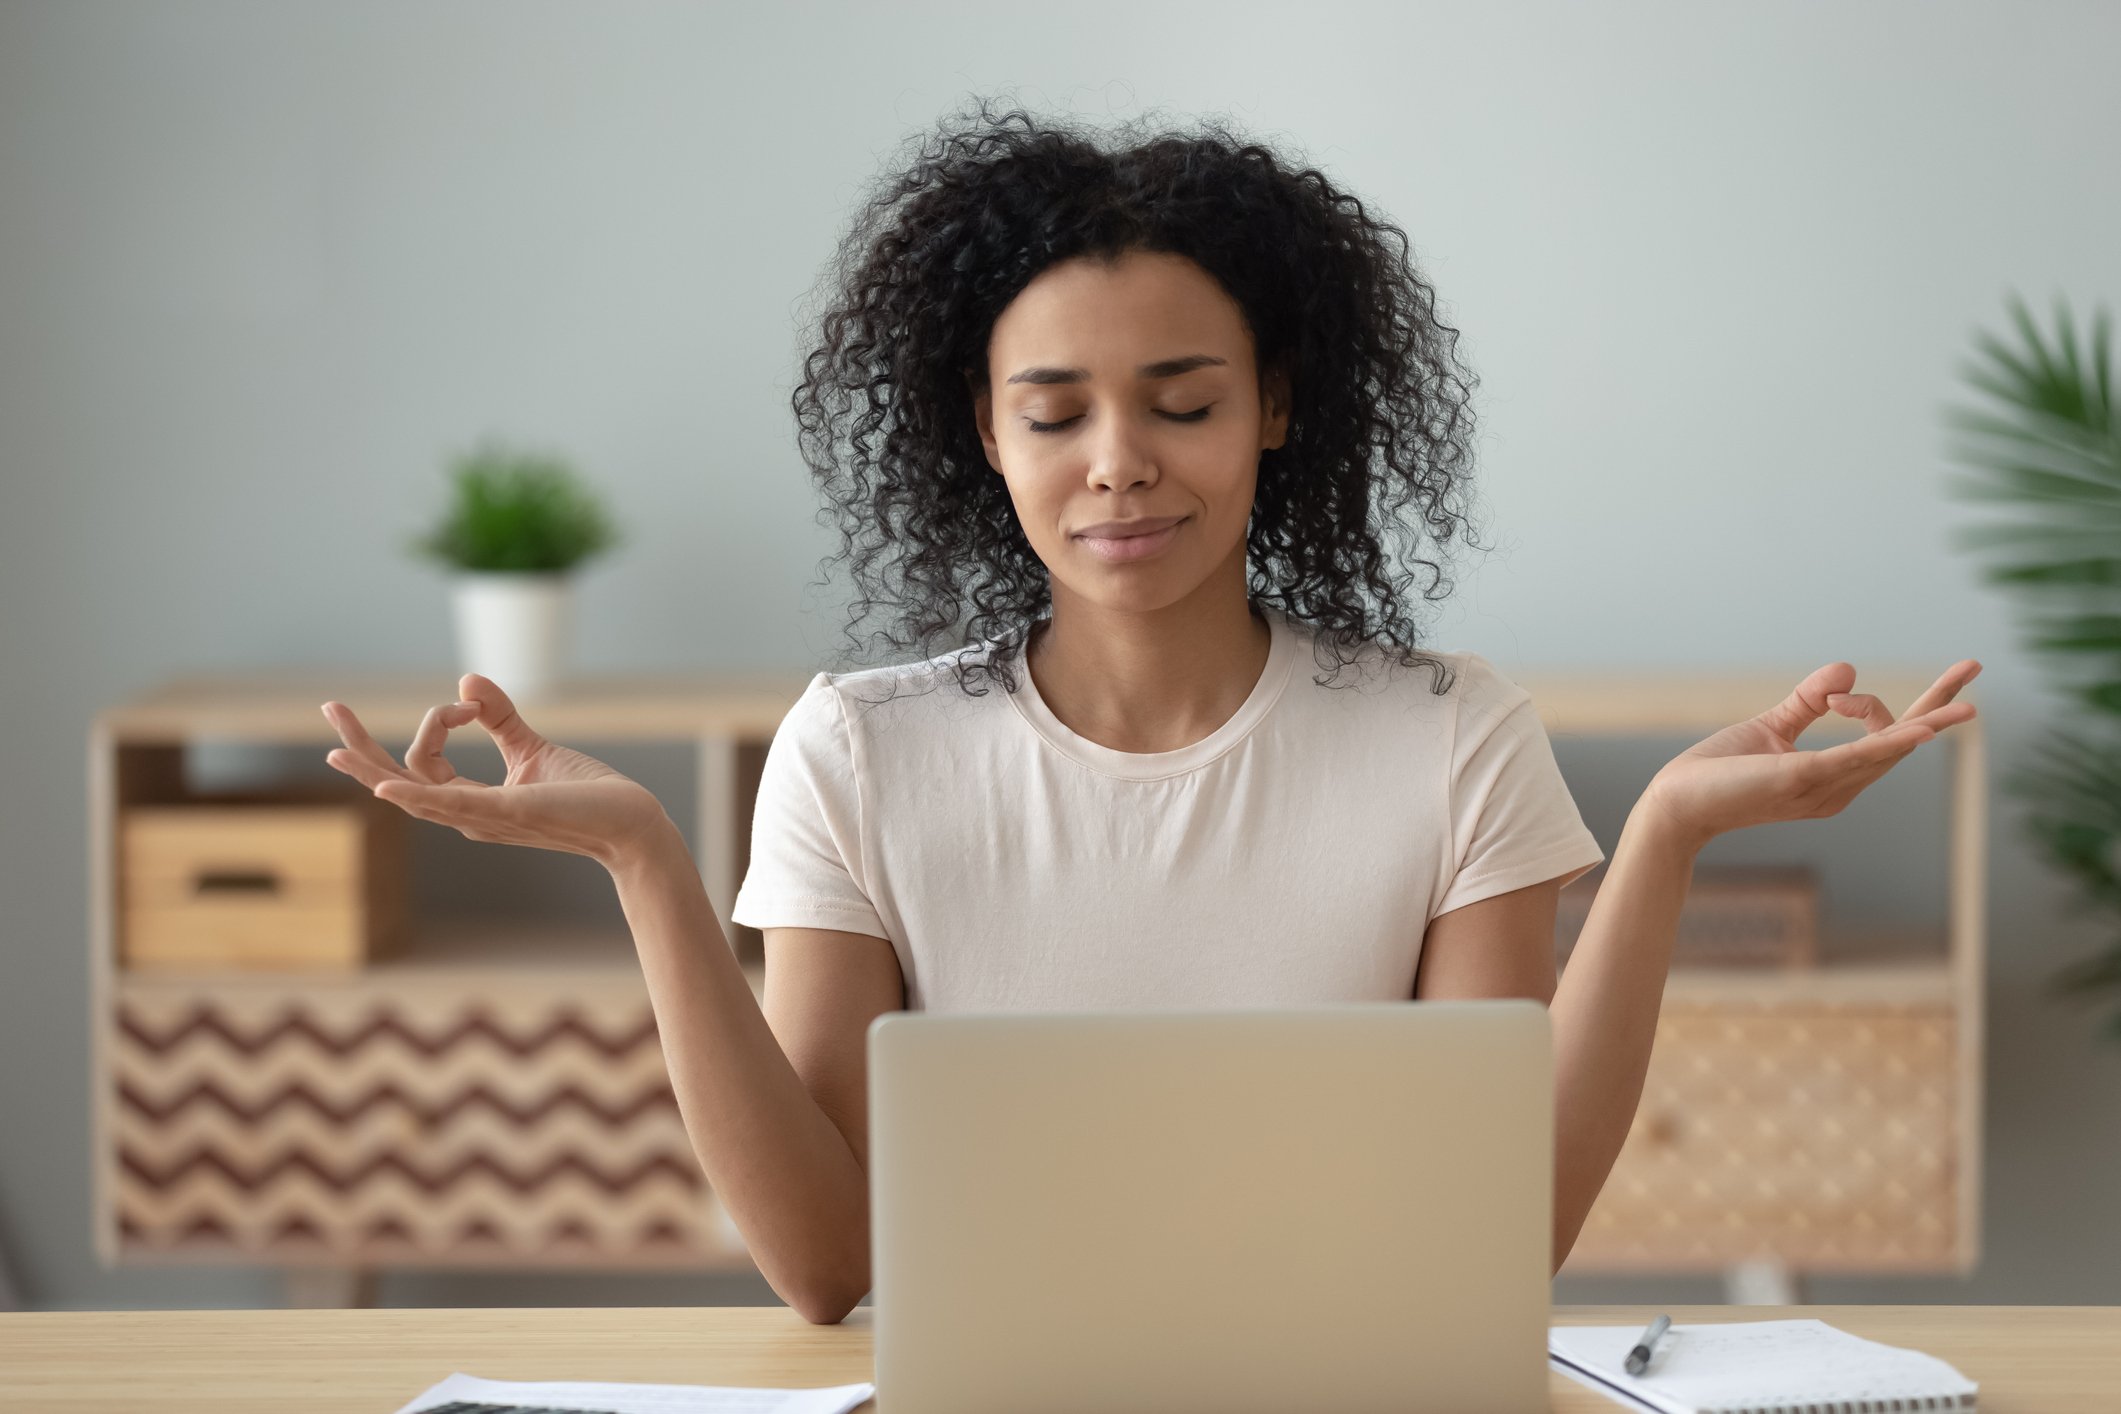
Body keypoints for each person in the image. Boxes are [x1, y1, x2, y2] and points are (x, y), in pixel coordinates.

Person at [321, 98, 1980, 1325]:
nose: (1118, 458)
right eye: (1055, 412)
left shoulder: (1448, 732)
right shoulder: (862, 747)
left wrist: (1668, 835)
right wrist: (645, 867)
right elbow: (829, 1268)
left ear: (1272, 408)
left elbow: (1496, 1241)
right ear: (984, 432)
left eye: (1181, 401)